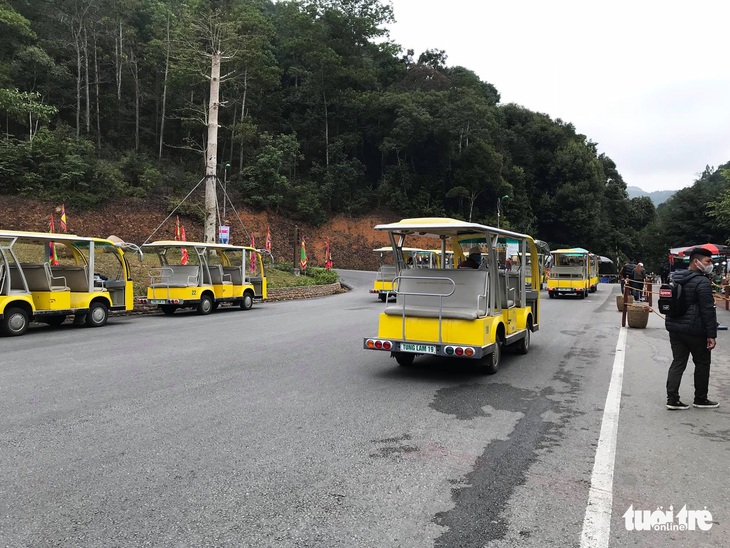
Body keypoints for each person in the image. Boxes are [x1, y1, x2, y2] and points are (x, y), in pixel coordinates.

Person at [665, 247, 719, 410]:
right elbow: (707, 309)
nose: (710, 265)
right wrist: (711, 334)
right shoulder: (702, 282)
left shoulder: (676, 277)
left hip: (675, 328)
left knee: (678, 362)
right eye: (707, 261)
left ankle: (672, 399)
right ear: (696, 262)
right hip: (695, 330)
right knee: (702, 363)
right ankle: (700, 398)